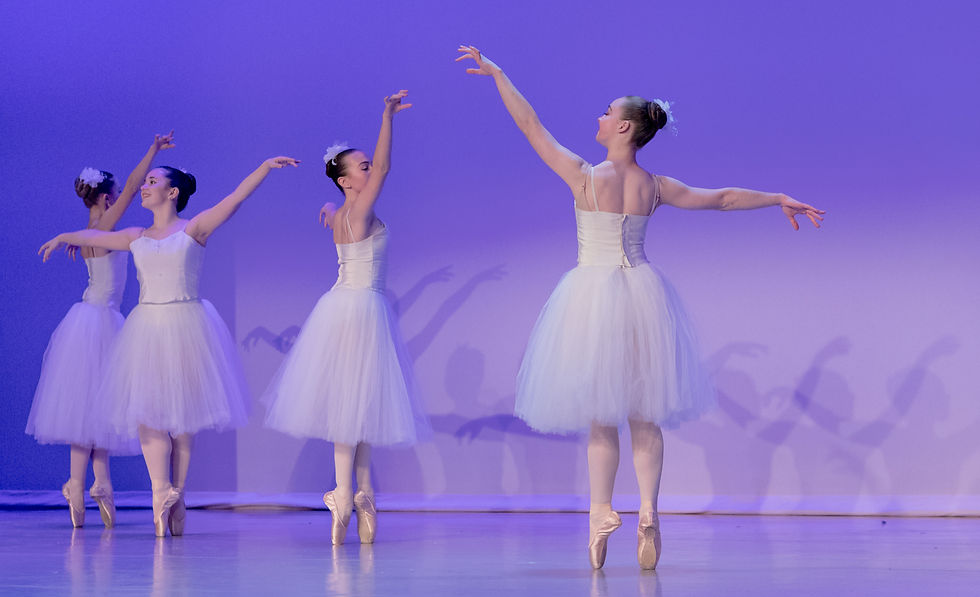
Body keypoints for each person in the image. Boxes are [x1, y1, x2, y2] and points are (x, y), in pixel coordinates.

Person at [457, 45, 824, 569]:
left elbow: (530, 127)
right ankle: (649, 511)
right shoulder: (655, 186)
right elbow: (722, 199)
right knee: (644, 416)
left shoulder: (586, 177)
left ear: (625, 128)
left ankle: (601, 510)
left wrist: (498, 75)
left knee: (602, 417)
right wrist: (778, 197)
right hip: (644, 297)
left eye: (608, 112)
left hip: (592, 298)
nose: (600, 117)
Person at [39, 155, 300, 536]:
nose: (144, 187)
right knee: (149, 414)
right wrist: (64, 236)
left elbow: (234, 199)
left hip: (186, 326)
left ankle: (177, 495)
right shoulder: (136, 236)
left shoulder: (194, 229)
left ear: (172, 192)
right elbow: (95, 238)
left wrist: (262, 167)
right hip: (147, 328)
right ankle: (160, 491)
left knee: (182, 421)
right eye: (143, 181)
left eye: (152, 181)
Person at [263, 90, 428, 545]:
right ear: (344, 180)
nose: (370, 168)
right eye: (362, 166)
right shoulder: (358, 206)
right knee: (353, 407)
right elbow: (388, 166)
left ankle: (358, 493)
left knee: (358, 405)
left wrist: (331, 209)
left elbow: (347, 214)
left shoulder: (343, 213)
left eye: (367, 165)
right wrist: (387, 117)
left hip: (345, 306)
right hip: (360, 308)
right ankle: (348, 493)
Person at [27, 131, 175, 528]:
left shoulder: (93, 228)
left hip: (89, 318)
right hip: (103, 320)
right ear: (107, 198)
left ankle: (87, 485)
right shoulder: (107, 224)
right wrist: (153, 150)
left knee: (90, 410)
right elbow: (131, 185)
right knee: (98, 407)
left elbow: (96, 232)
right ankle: (94, 485)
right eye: (117, 195)